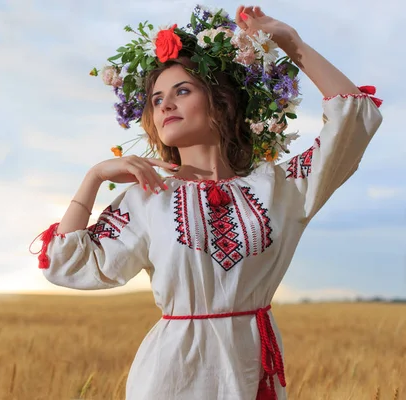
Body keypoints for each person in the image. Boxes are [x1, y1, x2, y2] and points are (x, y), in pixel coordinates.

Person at [29, 4, 383, 400]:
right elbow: (65, 264)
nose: (164, 105)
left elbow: (355, 119)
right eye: (156, 98)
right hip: (170, 380)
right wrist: (93, 178)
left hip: (252, 374)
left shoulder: (280, 188)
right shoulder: (148, 199)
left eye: (182, 91)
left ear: (220, 103)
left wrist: (289, 42)